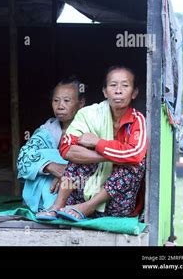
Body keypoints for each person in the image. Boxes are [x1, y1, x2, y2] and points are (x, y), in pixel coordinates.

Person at [38, 66, 147, 221]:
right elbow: (66, 148)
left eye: (125, 85)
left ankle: (87, 208)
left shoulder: (137, 121)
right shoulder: (90, 114)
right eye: (113, 85)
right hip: (80, 196)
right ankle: (57, 206)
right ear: (104, 91)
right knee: (81, 152)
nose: (118, 90)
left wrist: (98, 143)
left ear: (134, 92)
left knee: (136, 164)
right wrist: (109, 155)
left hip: (117, 204)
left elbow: (135, 155)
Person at [17, 77, 85, 214]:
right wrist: (51, 167)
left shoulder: (89, 130)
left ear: (81, 103)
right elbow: (23, 159)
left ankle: (60, 207)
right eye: (56, 100)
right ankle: (47, 207)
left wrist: (68, 172)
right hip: (50, 188)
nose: (60, 106)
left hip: (79, 187)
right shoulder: (48, 130)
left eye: (67, 101)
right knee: (42, 155)